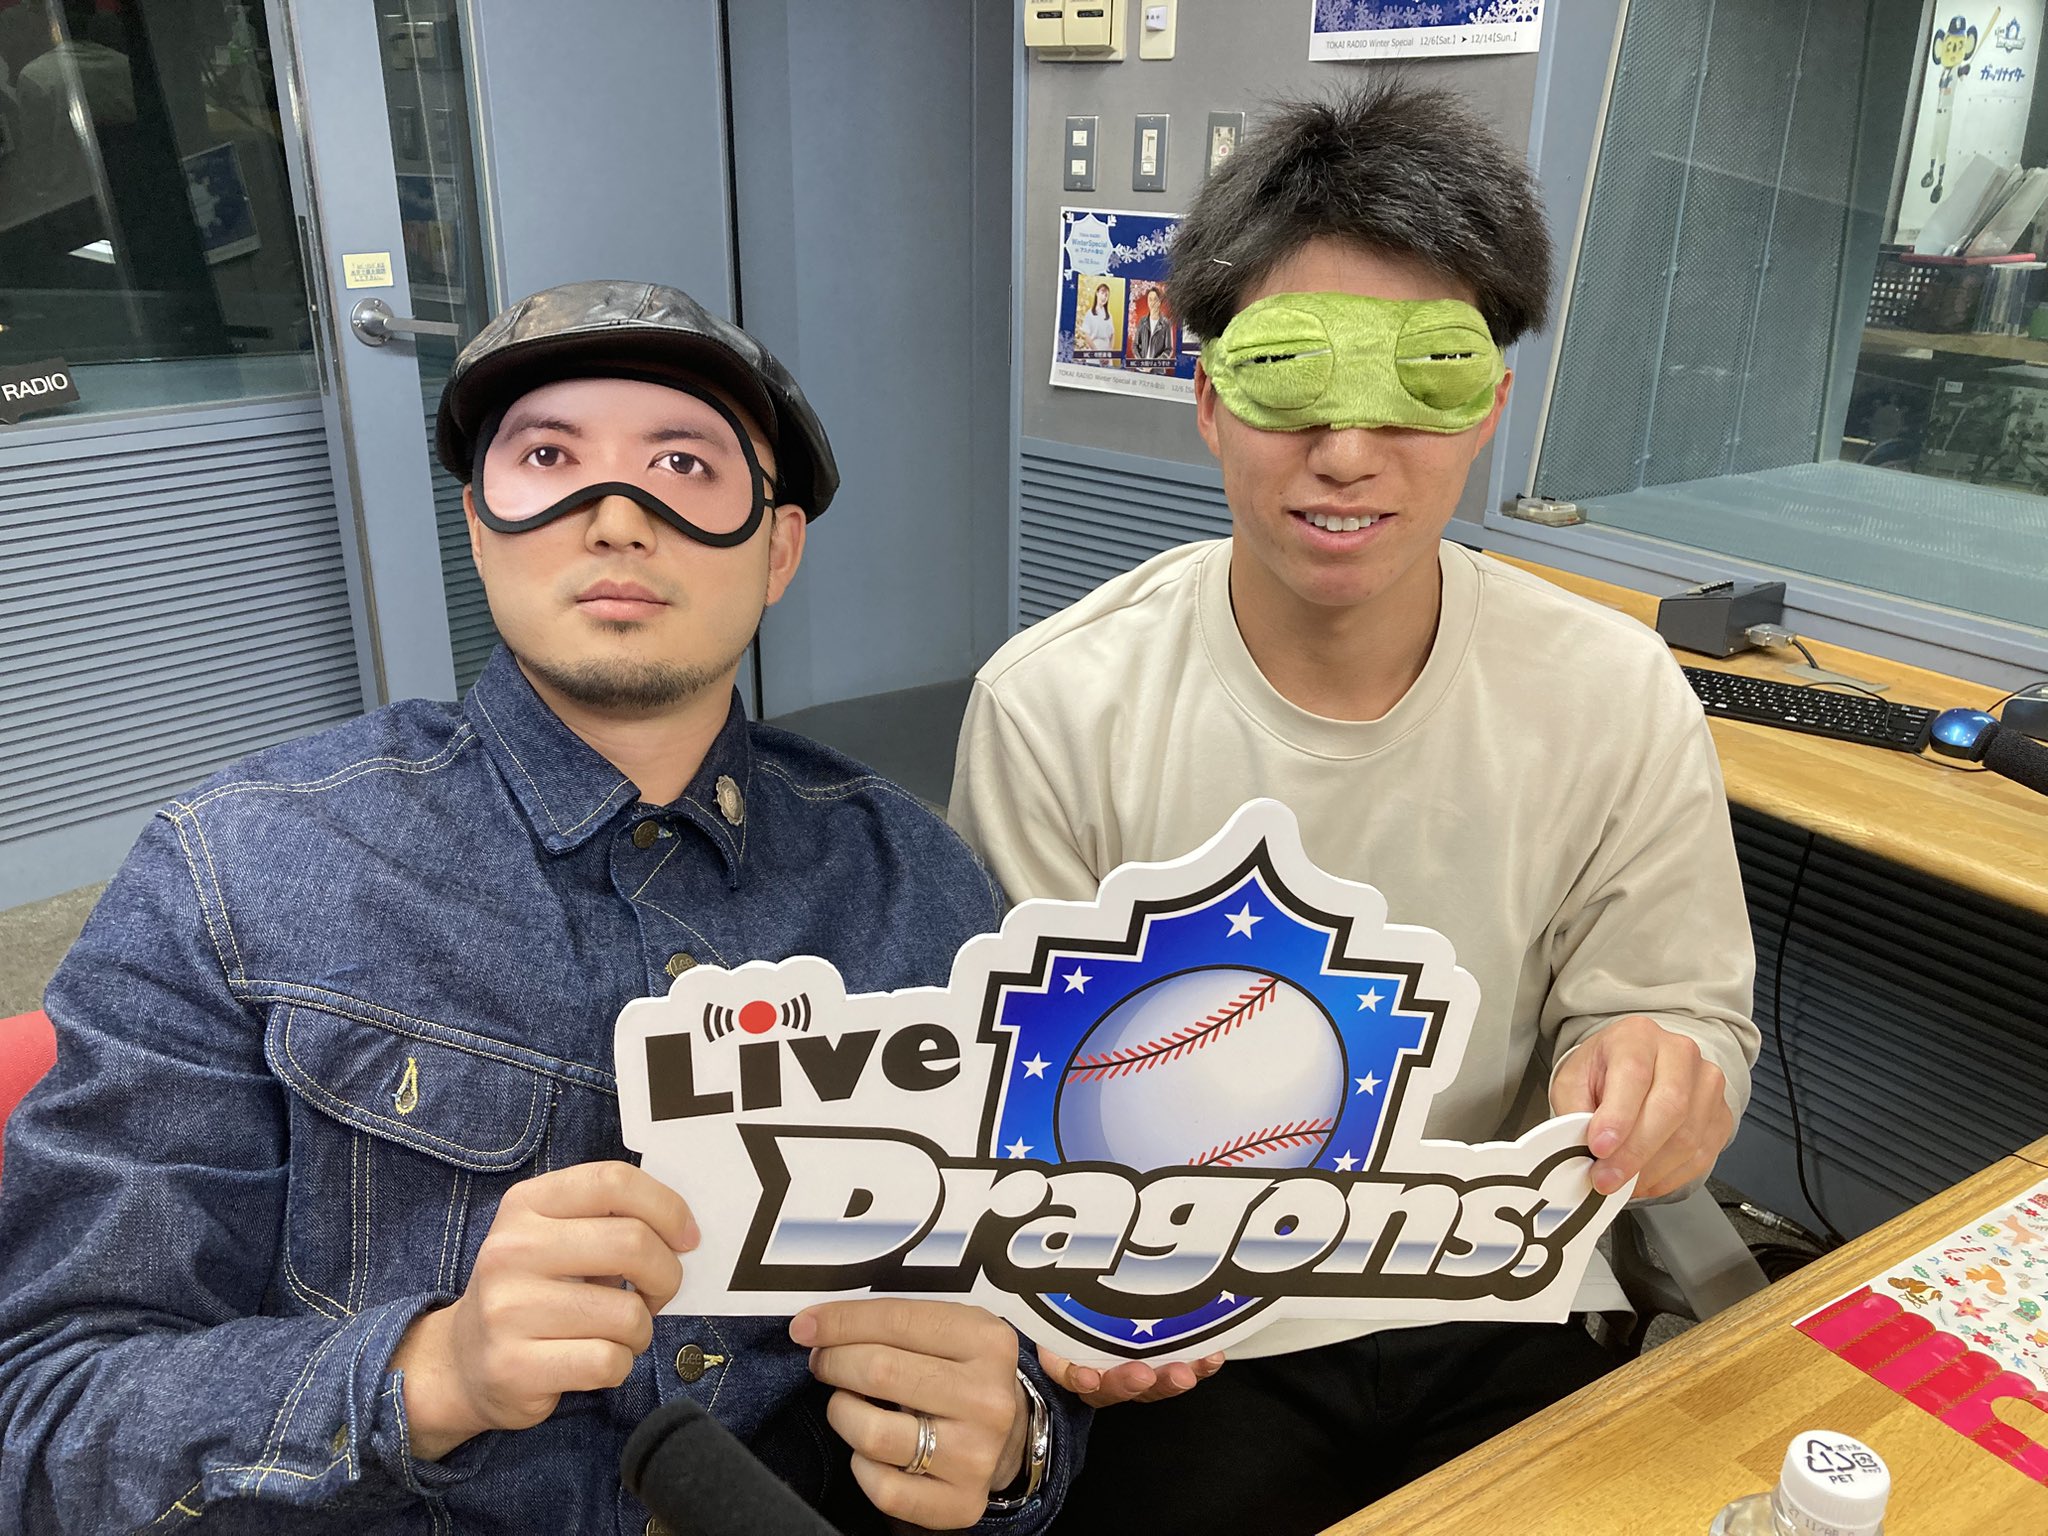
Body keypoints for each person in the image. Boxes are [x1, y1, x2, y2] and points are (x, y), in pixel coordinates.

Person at [0, 280, 1079, 1535]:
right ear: (479, 526)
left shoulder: (917, 882)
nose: (615, 518)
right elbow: (42, 1421)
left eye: (683, 465)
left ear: (777, 549)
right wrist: (426, 1374)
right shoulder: (234, 870)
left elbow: (1033, 1322)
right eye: (550, 460)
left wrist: (1015, 1447)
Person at [949, 83, 1758, 1535]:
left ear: (1489, 406)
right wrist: (1073, 1292)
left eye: (1421, 379)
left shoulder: (1614, 690)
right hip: (1196, 1320)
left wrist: (1664, 1071)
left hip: (1498, 1294)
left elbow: (1681, 1014)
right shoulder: (1052, 706)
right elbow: (1017, 1114)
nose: (1346, 450)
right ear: (1210, 401)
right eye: (1289, 378)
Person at [1129, 290, 1173, 363]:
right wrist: (1141, 362)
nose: (1152, 302)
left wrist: (1155, 363)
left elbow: (1168, 349)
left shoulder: (1166, 323)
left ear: (1159, 302)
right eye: (1150, 299)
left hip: (1157, 367)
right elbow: (1135, 345)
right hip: (1141, 367)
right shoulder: (1142, 321)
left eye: (1155, 299)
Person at [1077, 282, 1115, 353]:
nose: (1104, 297)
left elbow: (1112, 334)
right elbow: (1087, 336)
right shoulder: (1089, 314)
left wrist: (1110, 351)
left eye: (1106, 295)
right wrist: (1097, 352)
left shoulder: (1109, 315)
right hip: (1094, 350)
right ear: (1097, 293)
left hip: (1106, 351)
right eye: (1102, 293)